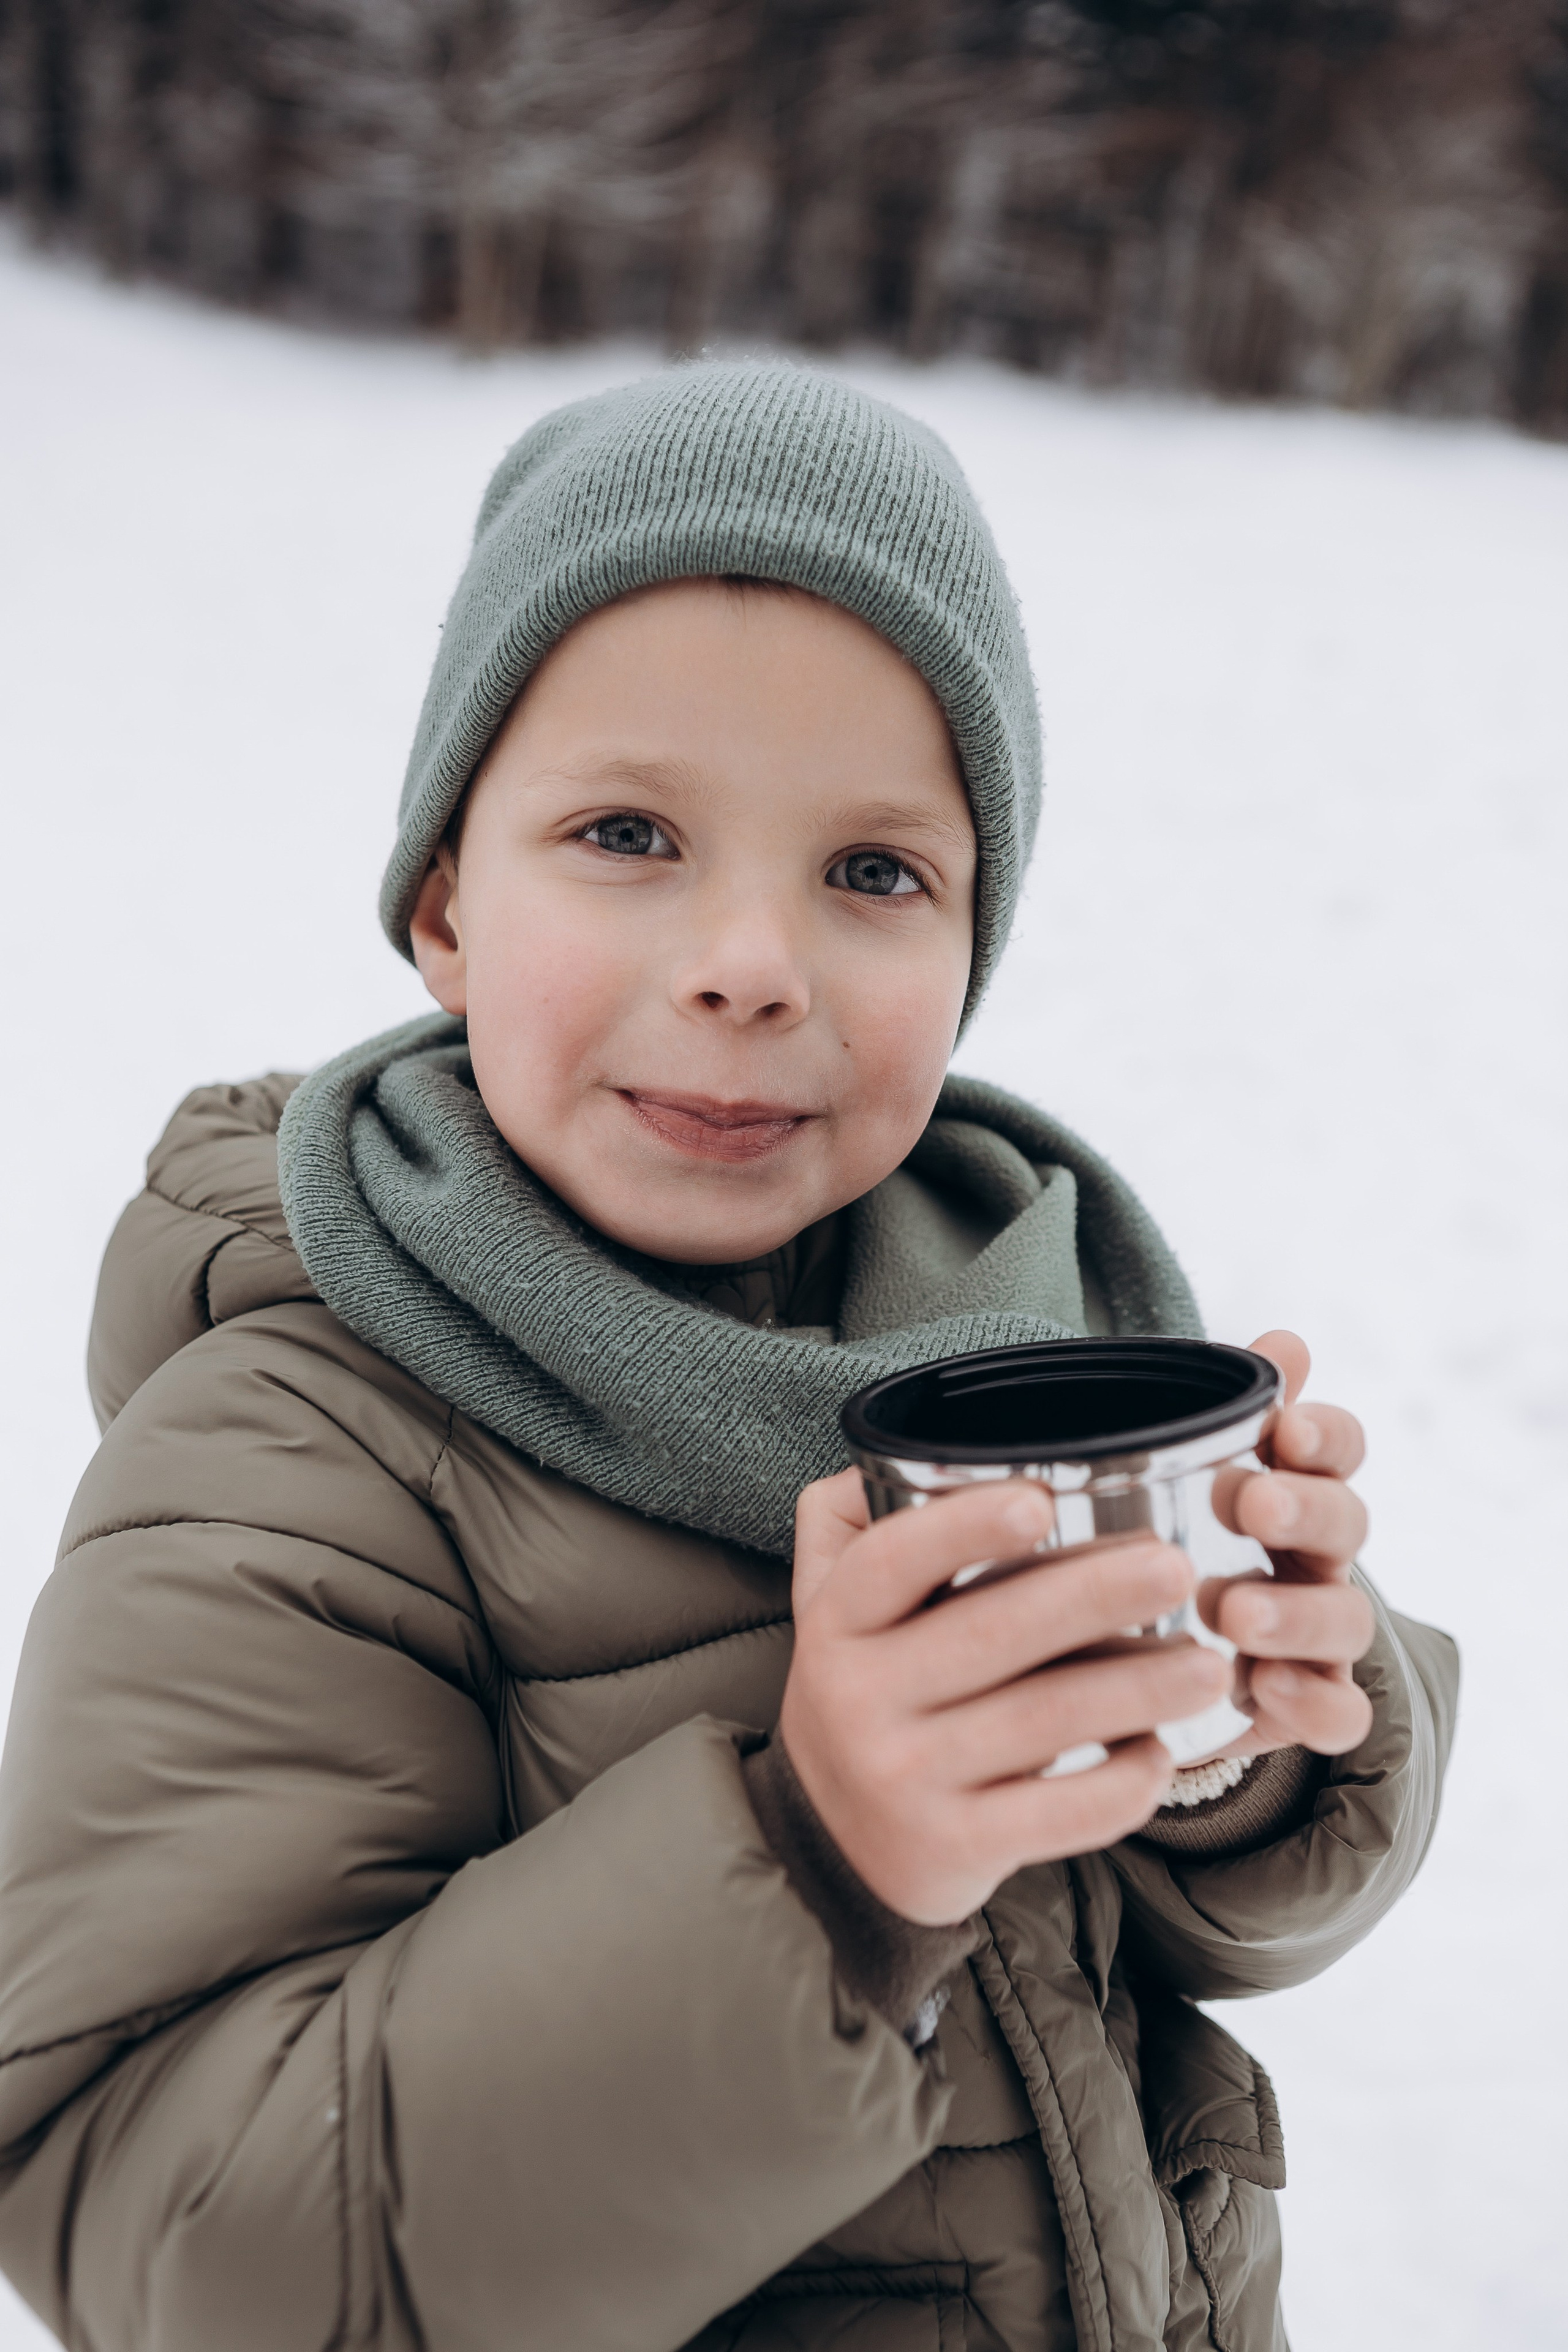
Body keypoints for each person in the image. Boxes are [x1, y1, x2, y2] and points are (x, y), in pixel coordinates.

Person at [0, 364, 1456, 2352]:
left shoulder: (1021, 1338)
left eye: (874, 873)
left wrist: (1252, 1737)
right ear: (443, 900)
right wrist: (822, 1869)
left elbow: (1235, 1931)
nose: (752, 960)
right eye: (625, 832)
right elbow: (159, 2232)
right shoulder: (296, 1458)